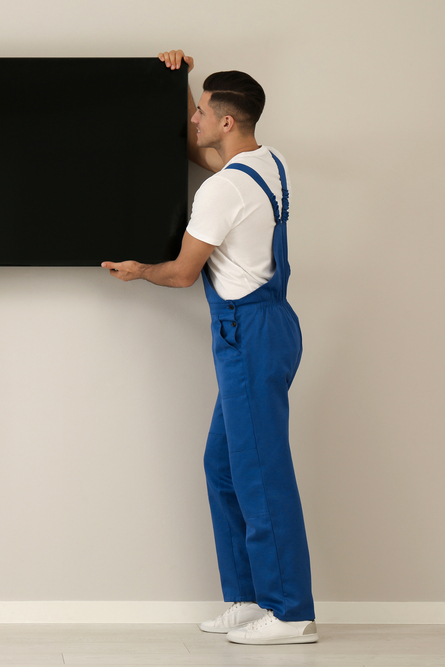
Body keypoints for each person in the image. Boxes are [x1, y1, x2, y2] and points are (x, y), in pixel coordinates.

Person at [102, 50, 317, 645]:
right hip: (269, 325)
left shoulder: (221, 192)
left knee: (261, 474)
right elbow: (204, 152)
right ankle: (249, 599)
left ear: (226, 122)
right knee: (225, 467)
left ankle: (291, 612)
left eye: (199, 111)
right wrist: (183, 83)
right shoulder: (270, 163)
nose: (192, 120)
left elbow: (180, 273)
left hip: (247, 334)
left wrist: (140, 270)